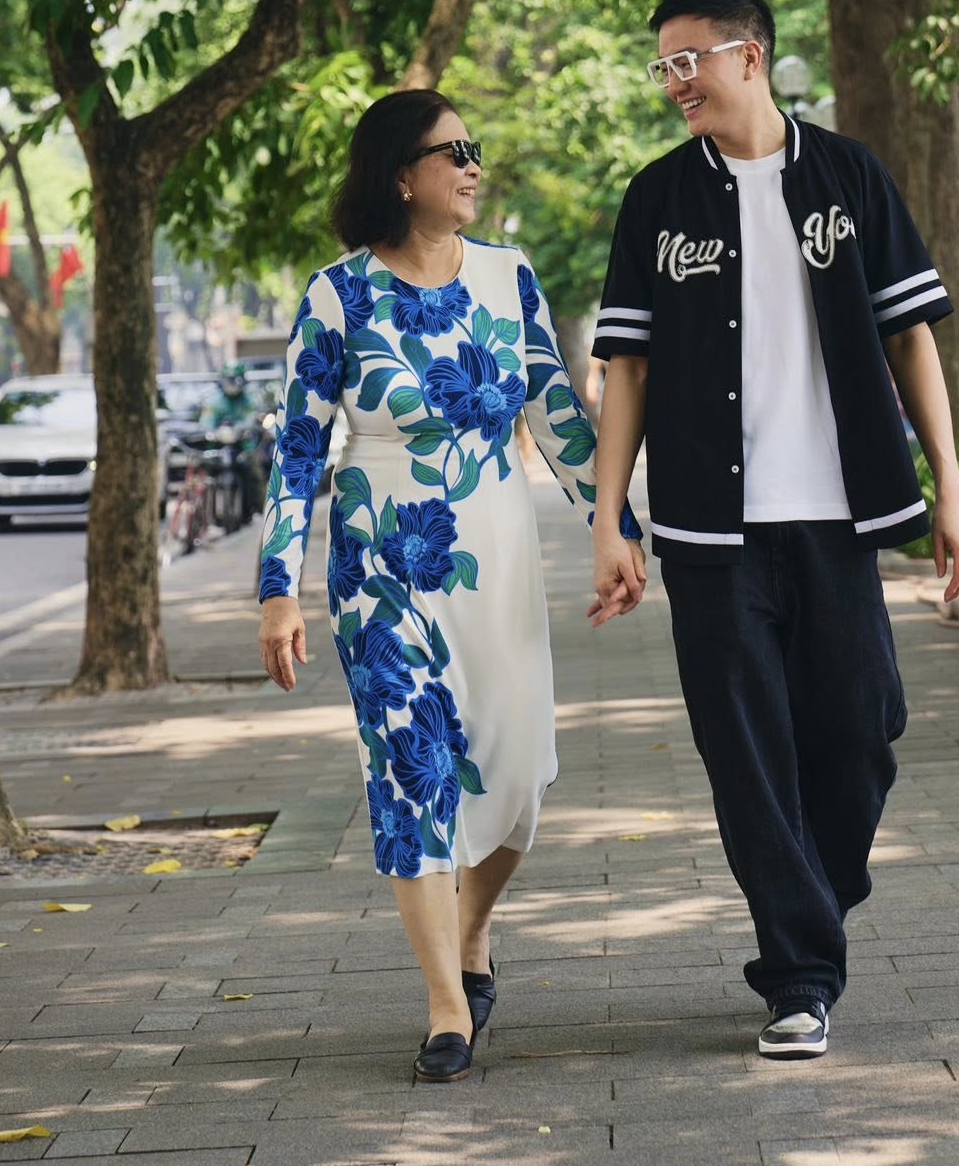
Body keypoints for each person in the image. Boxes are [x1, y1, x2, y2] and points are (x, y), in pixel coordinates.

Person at [590, 0, 959, 1064]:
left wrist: (949, 490)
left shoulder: (849, 175)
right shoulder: (658, 198)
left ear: (749, 56)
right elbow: (627, 369)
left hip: (838, 516)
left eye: (688, 60)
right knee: (747, 755)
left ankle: (809, 899)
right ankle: (799, 976)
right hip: (710, 531)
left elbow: (911, 338)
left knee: (862, 730)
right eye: (662, 66)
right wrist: (612, 519)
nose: (674, 83)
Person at [257, 91, 643, 1084]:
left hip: (496, 554)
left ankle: (472, 932)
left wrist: (616, 532)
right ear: (400, 174)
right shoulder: (338, 295)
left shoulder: (510, 278)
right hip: (379, 564)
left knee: (518, 776)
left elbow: (557, 418)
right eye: (452, 150)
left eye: (477, 147)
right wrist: (277, 586)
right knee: (413, 772)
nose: (473, 165)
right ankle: (445, 1007)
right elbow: (298, 451)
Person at [204, 364, 262, 521]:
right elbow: (207, 420)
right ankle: (205, 514)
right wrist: (211, 431)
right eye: (228, 380)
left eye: (235, 380)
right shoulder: (214, 401)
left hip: (242, 445)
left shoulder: (248, 400)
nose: (231, 384)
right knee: (204, 473)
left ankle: (258, 507)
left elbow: (251, 417)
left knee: (255, 471)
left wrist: (242, 428)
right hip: (218, 446)